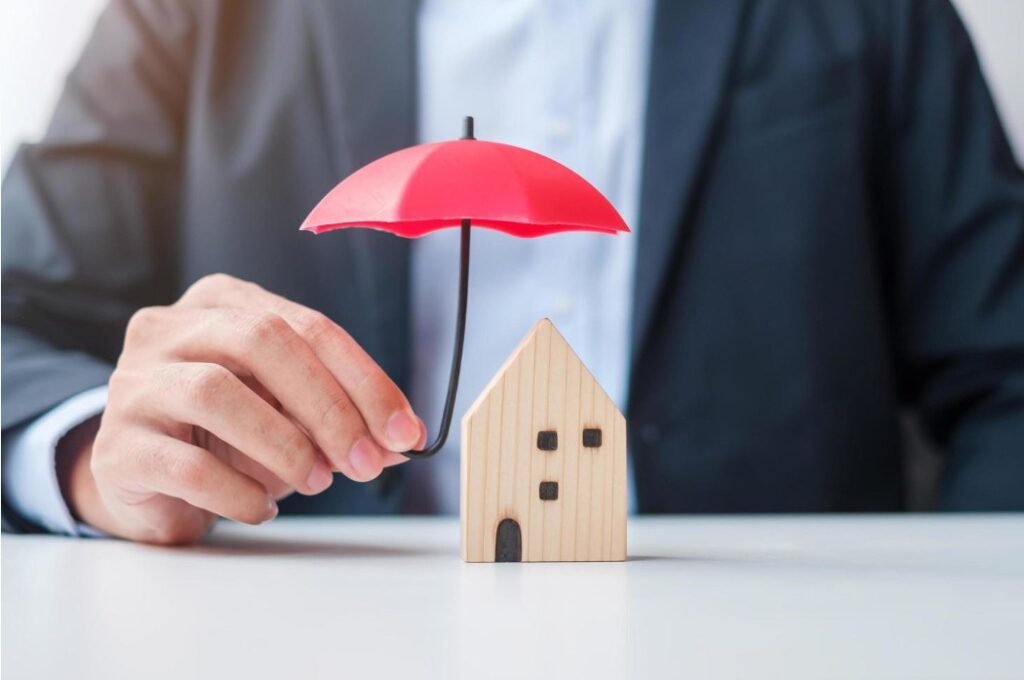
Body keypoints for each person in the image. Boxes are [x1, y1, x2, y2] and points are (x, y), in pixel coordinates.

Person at [3, 0, 1023, 544]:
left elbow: (1008, 371)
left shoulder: (877, 11)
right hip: (305, 629)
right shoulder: (198, 11)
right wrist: (95, 452)